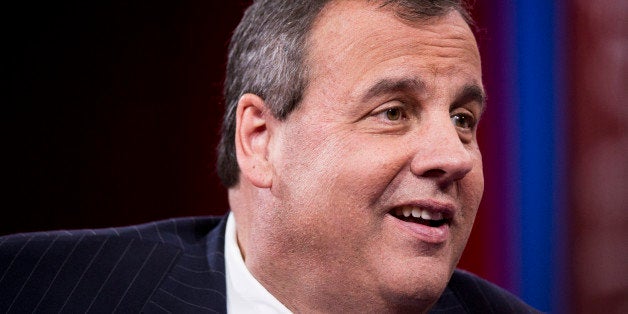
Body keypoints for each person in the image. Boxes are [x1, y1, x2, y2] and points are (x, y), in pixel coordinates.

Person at [0, 0, 540, 313]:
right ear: (260, 140)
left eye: (463, 120)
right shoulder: (35, 288)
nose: (455, 157)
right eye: (394, 111)